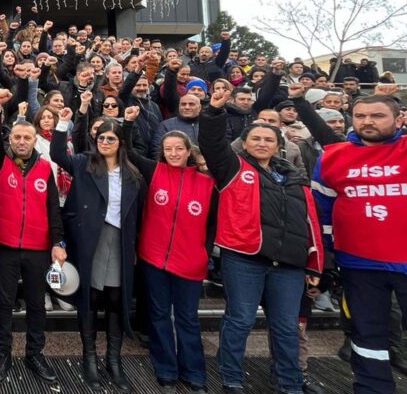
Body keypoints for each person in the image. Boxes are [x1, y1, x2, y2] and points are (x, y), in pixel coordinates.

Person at [199, 88, 324, 394]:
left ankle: (290, 381)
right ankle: (232, 379)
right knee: (240, 320)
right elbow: (212, 145)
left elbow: (310, 223)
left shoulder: (296, 179)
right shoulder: (233, 168)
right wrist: (214, 112)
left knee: (287, 326)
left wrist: (315, 265)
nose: (262, 143)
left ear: (279, 146)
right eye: (255, 138)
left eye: (269, 139)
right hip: (244, 257)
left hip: (289, 264)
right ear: (244, 143)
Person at [310, 87, 407, 394]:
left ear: (399, 119)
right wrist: (325, 260)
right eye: (360, 115)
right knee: (366, 337)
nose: (367, 121)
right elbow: (321, 214)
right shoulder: (332, 157)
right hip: (359, 265)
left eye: (378, 115)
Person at [51, 109, 145, 393]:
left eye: (111, 138)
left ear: (121, 142)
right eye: (101, 138)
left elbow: (138, 213)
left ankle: (114, 360)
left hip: (120, 241)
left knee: (116, 300)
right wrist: (63, 122)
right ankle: (89, 358)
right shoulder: (84, 163)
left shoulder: (132, 173)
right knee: (90, 299)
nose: (105, 142)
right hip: (91, 240)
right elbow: (58, 154)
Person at [122, 106, 213, 394]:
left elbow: (212, 224)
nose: (173, 153)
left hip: (190, 261)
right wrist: (128, 123)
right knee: (159, 314)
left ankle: (194, 371)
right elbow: (129, 152)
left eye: (178, 149)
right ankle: (166, 369)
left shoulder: (207, 182)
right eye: (168, 149)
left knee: (188, 318)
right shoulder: (154, 171)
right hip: (154, 258)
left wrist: (205, 252)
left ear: (188, 151)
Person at [0, 89, 65, 385]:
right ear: (11, 140)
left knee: (36, 304)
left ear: (35, 140)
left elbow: (53, 208)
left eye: (27, 138)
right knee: (4, 303)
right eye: (17, 137)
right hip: (6, 246)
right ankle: (2, 354)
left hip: (38, 248)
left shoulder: (45, 168)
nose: (21, 141)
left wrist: (57, 242)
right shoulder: (0, 161)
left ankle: (34, 353)